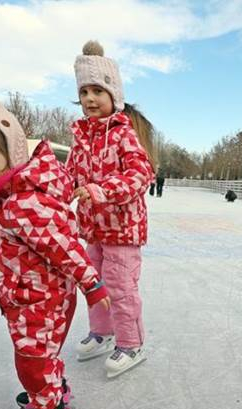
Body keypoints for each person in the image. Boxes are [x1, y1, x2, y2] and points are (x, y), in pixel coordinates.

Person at [0, 102, 110, 409]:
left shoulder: (22, 203)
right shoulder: (4, 197)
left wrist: (93, 284)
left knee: (31, 357)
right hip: (27, 293)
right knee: (43, 353)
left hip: (40, 298)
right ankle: (54, 390)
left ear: (12, 157)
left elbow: (64, 245)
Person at [67, 40, 155, 378]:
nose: (89, 99)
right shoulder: (81, 137)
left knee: (120, 286)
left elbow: (140, 173)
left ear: (113, 95)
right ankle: (102, 333)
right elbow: (70, 174)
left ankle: (130, 342)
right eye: (84, 91)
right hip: (93, 229)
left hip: (123, 229)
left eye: (97, 91)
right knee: (95, 284)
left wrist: (100, 191)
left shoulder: (123, 134)